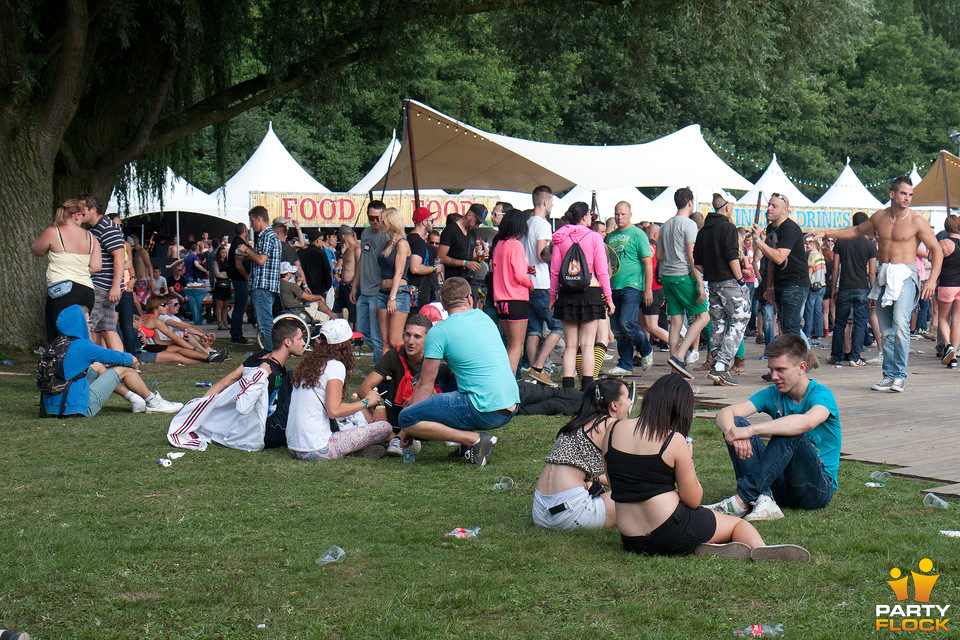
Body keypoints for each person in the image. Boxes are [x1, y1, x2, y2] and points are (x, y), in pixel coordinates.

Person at [605, 373, 808, 561]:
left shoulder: (612, 430)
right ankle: (759, 548)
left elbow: (615, 481)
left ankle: (699, 545)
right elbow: (693, 500)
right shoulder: (673, 440)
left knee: (691, 526)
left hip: (632, 537)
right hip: (669, 528)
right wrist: (688, 460)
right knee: (738, 524)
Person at [822, 177, 942, 392]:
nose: (907, 198)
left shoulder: (916, 221)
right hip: (884, 274)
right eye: (904, 193)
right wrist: (826, 233)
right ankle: (888, 375)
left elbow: (936, 249)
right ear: (892, 194)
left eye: (910, 194)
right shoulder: (880, 217)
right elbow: (856, 231)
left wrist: (932, 279)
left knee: (900, 322)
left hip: (906, 274)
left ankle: (900, 375)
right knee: (885, 330)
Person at [708, 334, 840, 523]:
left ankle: (743, 500)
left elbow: (807, 422)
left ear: (801, 367)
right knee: (738, 423)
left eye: (781, 370)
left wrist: (752, 431)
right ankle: (764, 499)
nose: (774, 376)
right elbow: (724, 413)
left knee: (791, 431)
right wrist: (736, 432)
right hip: (778, 484)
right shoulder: (773, 393)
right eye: (771, 370)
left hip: (816, 488)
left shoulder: (822, 395)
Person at [397, 277, 519, 467]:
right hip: (510, 404)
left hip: (485, 409)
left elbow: (425, 385)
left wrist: (410, 428)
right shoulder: (483, 317)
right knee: (447, 382)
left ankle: (474, 440)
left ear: (443, 304)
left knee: (406, 417)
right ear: (470, 299)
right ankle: (467, 445)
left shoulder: (440, 332)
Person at [167, 318, 306, 451]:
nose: (304, 343)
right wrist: (200, 408)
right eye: (300, 339)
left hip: (267, 409)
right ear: (287, 342)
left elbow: (226, 381)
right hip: (264, 428)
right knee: (304, 388)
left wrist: (202, 406)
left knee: (299, 375)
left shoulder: (260, 357)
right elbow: (243, 405)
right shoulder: (264, 371)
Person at [41, 305, 182, 418]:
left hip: (53, 407)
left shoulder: (57, 344)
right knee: (125, 368)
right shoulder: (83, 346)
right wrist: (132, 362)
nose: (90, 326)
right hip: (77, 407)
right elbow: (127, 359)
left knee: (96, 365)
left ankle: (135, 399)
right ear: (79, 324)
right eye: (88, 322)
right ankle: (153, 402)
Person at [286, 319, 392, 460]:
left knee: (353, 416)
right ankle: (359, 451)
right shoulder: (335, 366)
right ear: (342, 345)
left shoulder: (310, 363)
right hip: (317, 448)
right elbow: (334, 411)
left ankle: (358, 450)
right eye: (351, 342)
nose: (353, 347)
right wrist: (366, 402)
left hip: (294, 446)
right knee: (385, 427)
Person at [532, 379, 621, 531]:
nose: (630, 403)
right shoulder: (610, 424)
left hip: (540, 512)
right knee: (638, 497)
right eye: (627, 398)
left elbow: (574, 464)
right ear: (614, 405)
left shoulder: (577, 421)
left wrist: (592, 482)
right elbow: (622, 480)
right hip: (570, 514)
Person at [550, 202, 615, 390]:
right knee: (587, 345)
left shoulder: (560, 237)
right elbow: (602, 272)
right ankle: (587, 389)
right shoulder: (595, 237)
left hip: (566, 294)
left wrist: (553, 298)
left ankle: (568, 390)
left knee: (570, 346)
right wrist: (608, 299)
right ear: (585, 217)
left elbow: (555, 271)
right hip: (591, 293)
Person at [693, 193, 750, 386]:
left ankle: (718, 366)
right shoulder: (728, 227)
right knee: (739, 320)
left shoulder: (703, 231)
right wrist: (741, 280)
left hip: (713, 282)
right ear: (727, 208)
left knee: (718, 323)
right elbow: (732, 257)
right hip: (730, 283)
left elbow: (697, 262)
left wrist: (711, 270)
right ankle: (721, 366)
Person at [31, 199, 102, 343]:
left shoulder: (53, 232)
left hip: (62, 290)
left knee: (60, 335)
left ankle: (62, 364)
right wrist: (78, 268)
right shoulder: (91, 237)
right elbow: (96, 266)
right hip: (87, 290)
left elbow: (36, 250)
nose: (83, 220)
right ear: (76, 216)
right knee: (82, 332)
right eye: (83, 215)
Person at [657, 188, 708, 380]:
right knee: (703, 317)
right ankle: (679, 357)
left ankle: (674, 364)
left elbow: (660, 255)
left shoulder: (666, 225)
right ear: (690, 202)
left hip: (667, 277)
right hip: (683, 276)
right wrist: (700, 284)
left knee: (676, 322)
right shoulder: (689, 225)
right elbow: (692, 256)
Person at [605, 201, 655, 377]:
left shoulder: (638, 235)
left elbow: (647, 262)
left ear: (630, 215)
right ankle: (625, 363)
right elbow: (608, 262)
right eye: (617, 214)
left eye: (623, 214)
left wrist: (648, 289)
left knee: (627, 322)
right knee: (618, 328)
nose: (619, 217)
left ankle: (646, 349)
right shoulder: (610, 237)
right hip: (614, 286)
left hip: (633, 286)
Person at [752, 193, 809, 342]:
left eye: (774, 206)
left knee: (790, 329)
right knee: (786, 327)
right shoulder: (772, 228)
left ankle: (797, 362)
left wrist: (758, 240)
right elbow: (771, 261)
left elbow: (778, 257)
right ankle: (798, 360)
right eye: (769, 205)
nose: (769, 208)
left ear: (784, 210)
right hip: (781, 283)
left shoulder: (790, 228)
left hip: (795, 283)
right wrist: (770, 286)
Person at [524, 186, 564, 387]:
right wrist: (557, 255)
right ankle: (538, 367)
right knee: (558, 326)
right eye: (552, 201)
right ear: (545, 202)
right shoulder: (543, 225)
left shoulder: (525, 223)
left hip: (526, 283)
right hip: (541, 283)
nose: (553, 205)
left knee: (533, 330)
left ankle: (534, 373)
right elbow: (541, 253)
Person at [827, 212, 877, 366]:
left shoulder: (842, 242)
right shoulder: (870, 245)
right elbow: (871, 271)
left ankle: (837, 356)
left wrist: (834, 287)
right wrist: (873, 292)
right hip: (862, 287)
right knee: (860, 323)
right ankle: (855, 357)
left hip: (844, 287)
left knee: (840, 323)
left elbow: (835, 267)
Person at [492, 209, 535, 374]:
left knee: (510, 344)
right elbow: (518, 276)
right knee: (517, 345)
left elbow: (504, 270)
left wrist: (525, 270)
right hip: (516, 298)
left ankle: (506, 380)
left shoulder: (500, 245)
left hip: (501, 300)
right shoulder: (516, 245)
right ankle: (509, 383)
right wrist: (529, 283)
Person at [82, 195, 125, 351]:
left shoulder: (107, 227)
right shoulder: (94, 229)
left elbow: (119, 255)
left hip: (102, 286)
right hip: (105, 287)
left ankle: (90, 367)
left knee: (87, 326)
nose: (79, 214)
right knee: (108, 330)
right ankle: (124, 365)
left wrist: (115, 286)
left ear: (93, 210)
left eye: (82, 211)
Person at [135, 296, 227, 364]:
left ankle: (210, 357)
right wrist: (193, 348)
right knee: (178, 355)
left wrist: (202, 334)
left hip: (149, 347)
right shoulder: (155, 320)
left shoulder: (147, 318)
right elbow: (176, 338)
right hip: (142, 351)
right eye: (163, 305)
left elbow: (158, 341)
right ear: (155, 307)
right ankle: (209, 359)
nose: (166, 307)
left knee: (179, 348)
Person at [350, 201, 389, 363]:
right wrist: (354, 285)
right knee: (364, 333)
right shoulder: (365, 232)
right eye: (371, 217)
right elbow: (361, 261)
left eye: (378, 218)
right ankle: (385, 362)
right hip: (363, 291)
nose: (375, 221)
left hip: (376, 293)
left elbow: (388, 266)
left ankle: (379, 369)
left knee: (376, 335)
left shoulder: (386, 237)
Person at [242, 206, 282, 350]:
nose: (251, 225)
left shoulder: (266, 236)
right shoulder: (272, 236)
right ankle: (271, 351)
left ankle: (271, 352)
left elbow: (260, 260)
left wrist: (247, 250)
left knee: (265, 324)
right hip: (267, 285)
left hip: (262, 285)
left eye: (252, 221)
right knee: (266, 321)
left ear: (259, 219)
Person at [377, 207, 412, 354]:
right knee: (384, 340)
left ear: (391, 222)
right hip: (383, 291)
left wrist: (392, 297)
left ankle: (405, 371)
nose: (379, 223)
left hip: (398, 293)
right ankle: (386, 375)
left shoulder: (402, 243)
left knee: (395, 340)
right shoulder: (388, 243)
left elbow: (398, 273)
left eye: (382, 220)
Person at [438, 202, 485, 281]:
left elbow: (472, 257)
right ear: (469, 215)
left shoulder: (472, 232)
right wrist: (465, 263)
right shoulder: (451, 230)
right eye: (476, 222)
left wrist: (481, 257)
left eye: (479, 224)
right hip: (453, 281)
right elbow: (440, 258)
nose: (477, 226)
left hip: (468, 280)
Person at [406, 207, 441, 310]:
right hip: (417, 292)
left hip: (411, 291)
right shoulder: (418, 242)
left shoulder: (408, 238)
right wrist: (434, 268)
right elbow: (415, 268)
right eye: (431, 221)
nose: (433, 224)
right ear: (424, 222)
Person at [936, 214, 960, 367]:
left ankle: (948, 344)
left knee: (943, 318)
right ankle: (954, 356)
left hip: (947, 284)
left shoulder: (943, 243)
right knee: (957, 321)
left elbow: (934, 261)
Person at [640, 224, 669, 348]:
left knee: (651, 326)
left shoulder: (650, 249)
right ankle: (643, 353)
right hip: (652, 289)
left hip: (653, 290)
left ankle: (678, 345)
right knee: (644, 326)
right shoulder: (657, 249)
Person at [227, 222, 251, 344]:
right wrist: (246, 276)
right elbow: (238, 264)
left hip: (238, 279)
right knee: (239, 308)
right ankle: (236, 335)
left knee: (239, 308)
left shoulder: (235, 242)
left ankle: (236, 334)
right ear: (245, 231)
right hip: (240, 280)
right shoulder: (239, 244)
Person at [298, 228, 334, 306]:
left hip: (306, 288)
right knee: (321, 311)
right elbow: (327, 271)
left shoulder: (301, 253)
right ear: (317, 241)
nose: (322, 242)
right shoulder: (321, 254)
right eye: (322, 240)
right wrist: (328, 286)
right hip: (320, 289)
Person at [335, 224, 359, 326]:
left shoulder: (356, 248)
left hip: (351, 286)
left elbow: (360, 267)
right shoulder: (345, 250)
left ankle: (358, 340)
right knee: (342, 315)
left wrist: (354, 284)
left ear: (343, 236)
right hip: (343, 285)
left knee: (354, 317)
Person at [804, 235, 827, 338]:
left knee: (809, 309)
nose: (807, 245)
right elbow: (825, 270)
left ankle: (807, 332)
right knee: (818, 310)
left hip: (813, 285)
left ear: (813, 244)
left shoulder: (812, 255)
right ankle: (818, 332)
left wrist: (807, 279)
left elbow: (810, 269)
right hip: (822, 284)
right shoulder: (821, 255)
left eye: (809, 243)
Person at [210, 244, 232, 330]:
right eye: (222, 252)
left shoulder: (227, 262)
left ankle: (225, 321)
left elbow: (230, 272)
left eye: (225, 252)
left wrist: (226, 275)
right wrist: (225, 275)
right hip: (219, 284)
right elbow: (217, 273)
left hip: (227, 285)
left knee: (226, 304)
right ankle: (220, 322)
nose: (224, 254)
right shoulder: (216, 262)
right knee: (219, 304)